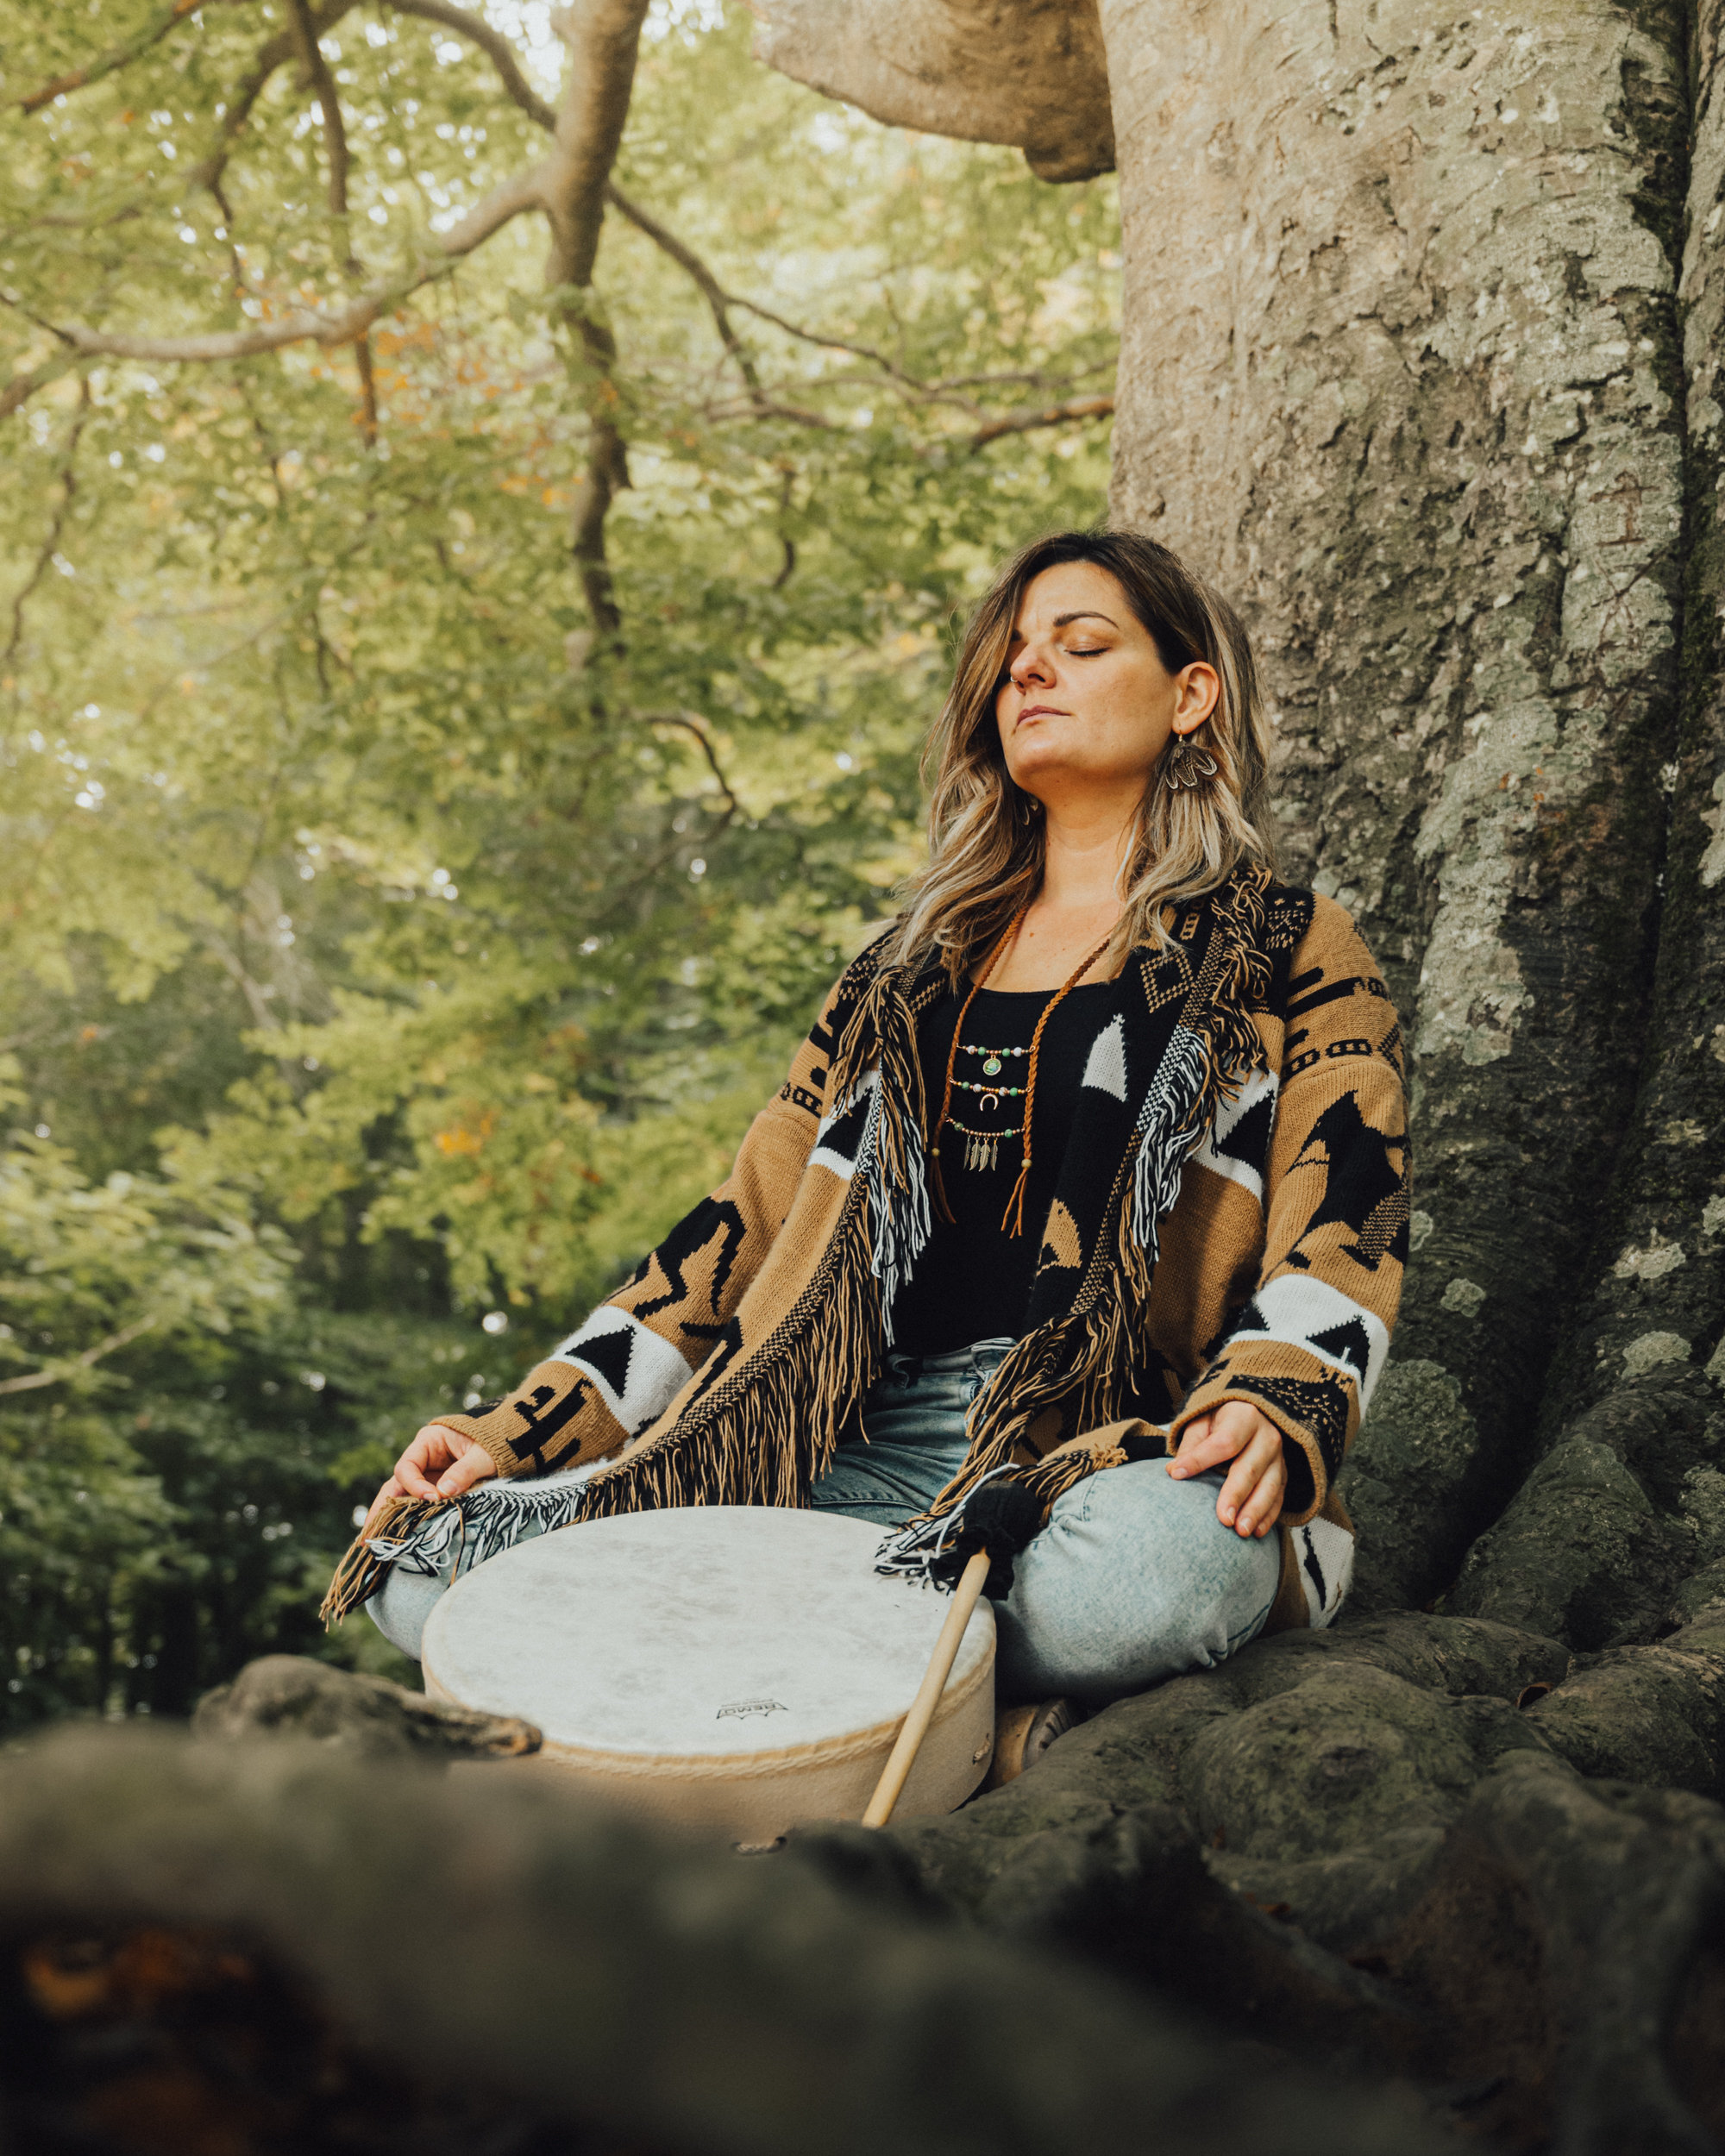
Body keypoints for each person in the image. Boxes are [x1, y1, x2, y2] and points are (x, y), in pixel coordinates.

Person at [323, 529, 1409, 1739]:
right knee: (422, 1557)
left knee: (1169, 1574)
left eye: (1082, 644)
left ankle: (760, 1680)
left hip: (1096, 1461)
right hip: (834, 1450)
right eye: (1015, 654)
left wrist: (1276, 1399)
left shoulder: (1287, 944)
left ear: (1191, 694)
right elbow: (737, 1235)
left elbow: (1346, 1217)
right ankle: (931, 1694)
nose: (1027, 670)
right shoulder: (898, 974)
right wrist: (516, 1431)